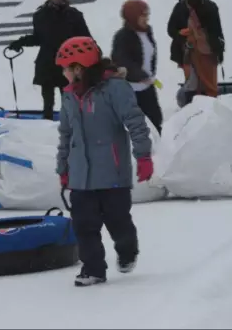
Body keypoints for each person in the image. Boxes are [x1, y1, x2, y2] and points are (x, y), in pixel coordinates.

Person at [55, 36, 154, 287]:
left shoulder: (115, 89)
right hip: (81, 176)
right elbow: (66, 134)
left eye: (66, 68)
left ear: (79, 68)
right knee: (84, 226)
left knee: (119, 223)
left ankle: (127, 250)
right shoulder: (68, 95)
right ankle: (93, 268)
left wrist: (143, 156)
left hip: (112, 173)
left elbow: (135, 122)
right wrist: (64, 168)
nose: (63, 74)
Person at [7, 0, 92, 120]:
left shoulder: (74, 15)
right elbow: (39, 38)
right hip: (47, 63)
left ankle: (72, 122)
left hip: (68, 64)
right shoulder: (40, 16)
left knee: (69, 98)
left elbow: (86, 38)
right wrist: (20, 42)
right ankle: (47, 123)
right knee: (48, 100)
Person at [166, 0, 225, 105]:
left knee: (208, 85)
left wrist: (218, 49)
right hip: (187, 53)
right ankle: (196, 107)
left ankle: (204, 108)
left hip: (207, 52)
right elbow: (171, 30)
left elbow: (217, 31)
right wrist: (181, 34)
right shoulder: (181, 9)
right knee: (193, 84)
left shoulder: (209, 8)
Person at [111, 0, 164, 134]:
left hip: (147, 86)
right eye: (143, 15)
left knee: (155, 120)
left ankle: (158, 149)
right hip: (130, 89)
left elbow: (150, 55)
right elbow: (121, 61)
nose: (146, 18)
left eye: (147, 15)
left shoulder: (147, 32)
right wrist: (140, 75)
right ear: (132, 16)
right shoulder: (122, 37)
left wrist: (149, 76)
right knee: (134, 124)